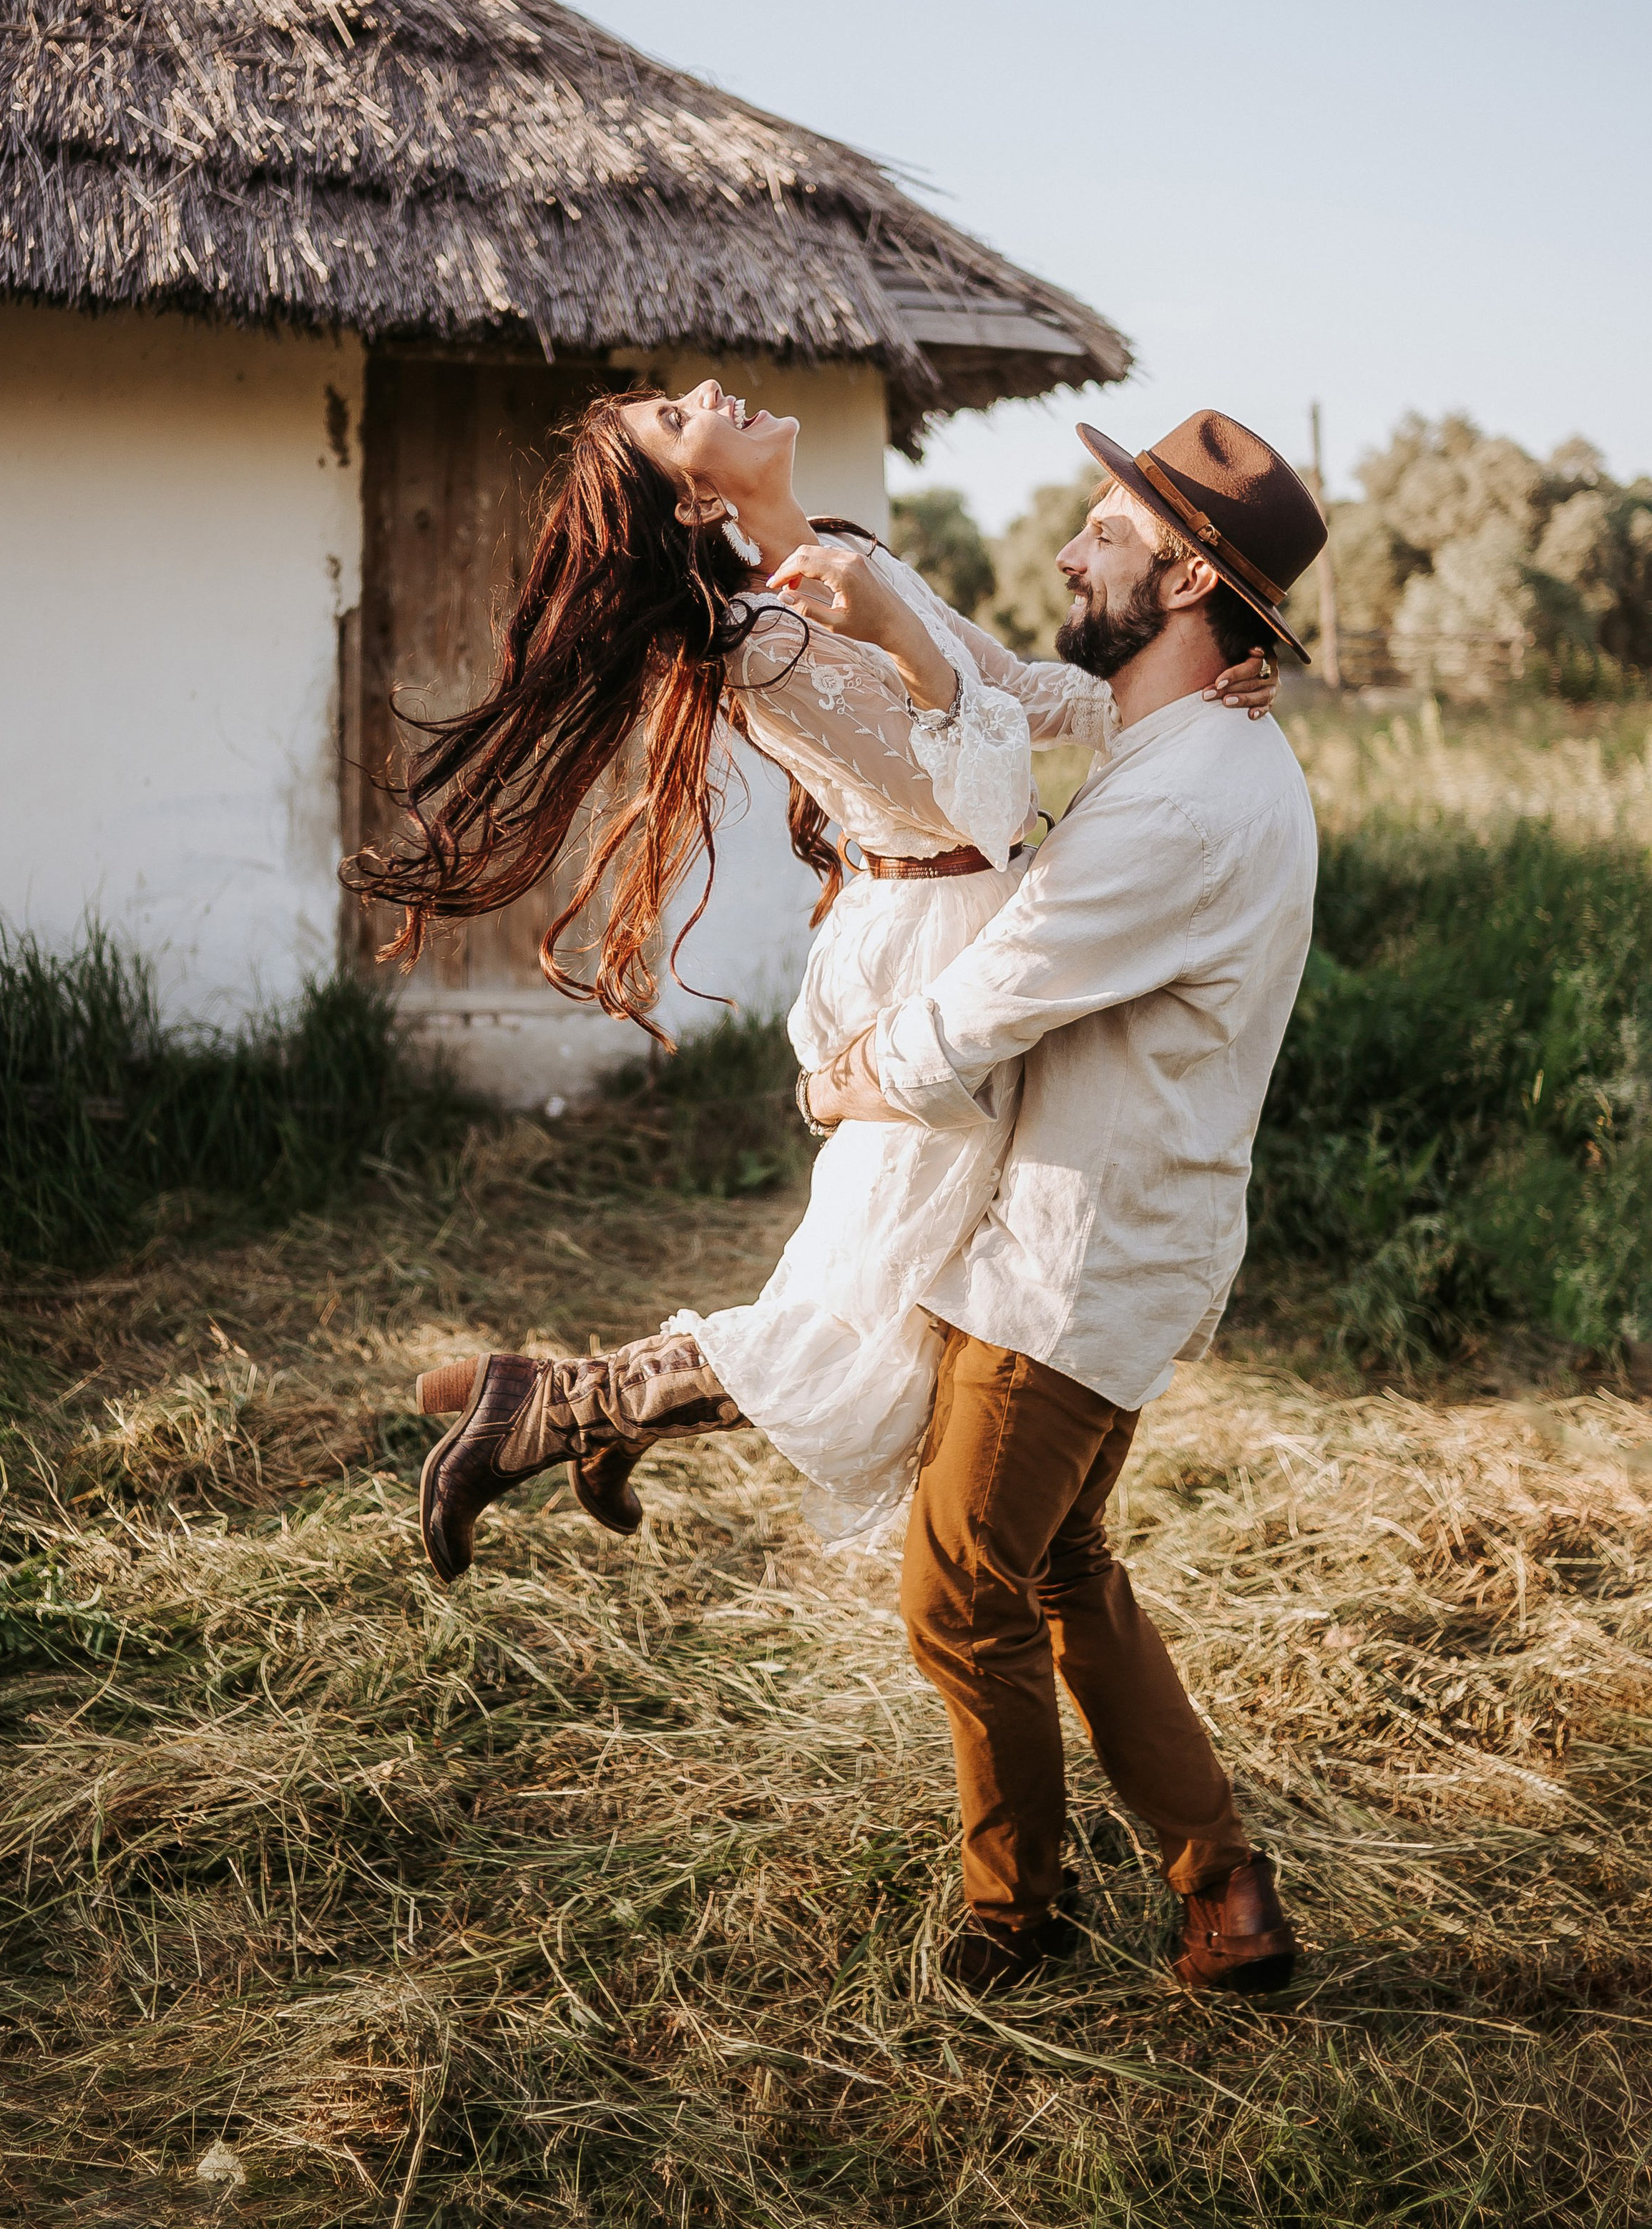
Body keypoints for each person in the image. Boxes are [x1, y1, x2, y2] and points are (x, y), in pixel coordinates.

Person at [414, 406, 1325, 2000]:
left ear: (1183, 576)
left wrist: (842, 1082)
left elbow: (997, 992)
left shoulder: (1182, 796)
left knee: (957, 1582)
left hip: (1071, 1251)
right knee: (1058, 1569)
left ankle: (1013, 1918)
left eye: (1101, 534)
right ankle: (1221, 1890)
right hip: (1102, 1223)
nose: (1063, 548)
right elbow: (1015, 735)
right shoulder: (1189, 746)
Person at [351, 381, 1279, 1546]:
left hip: (965, 921)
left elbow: (1023, 696)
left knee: (879, 1297)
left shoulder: (836, 554)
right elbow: (978, 805)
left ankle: (595, 1411)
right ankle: (553, 1408)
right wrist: (897, 635)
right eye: (675, 421)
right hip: (934, 945)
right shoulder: (765, 646)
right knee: (863, 1308)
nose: (705, 391)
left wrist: (1203, 684)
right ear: (692, 504)